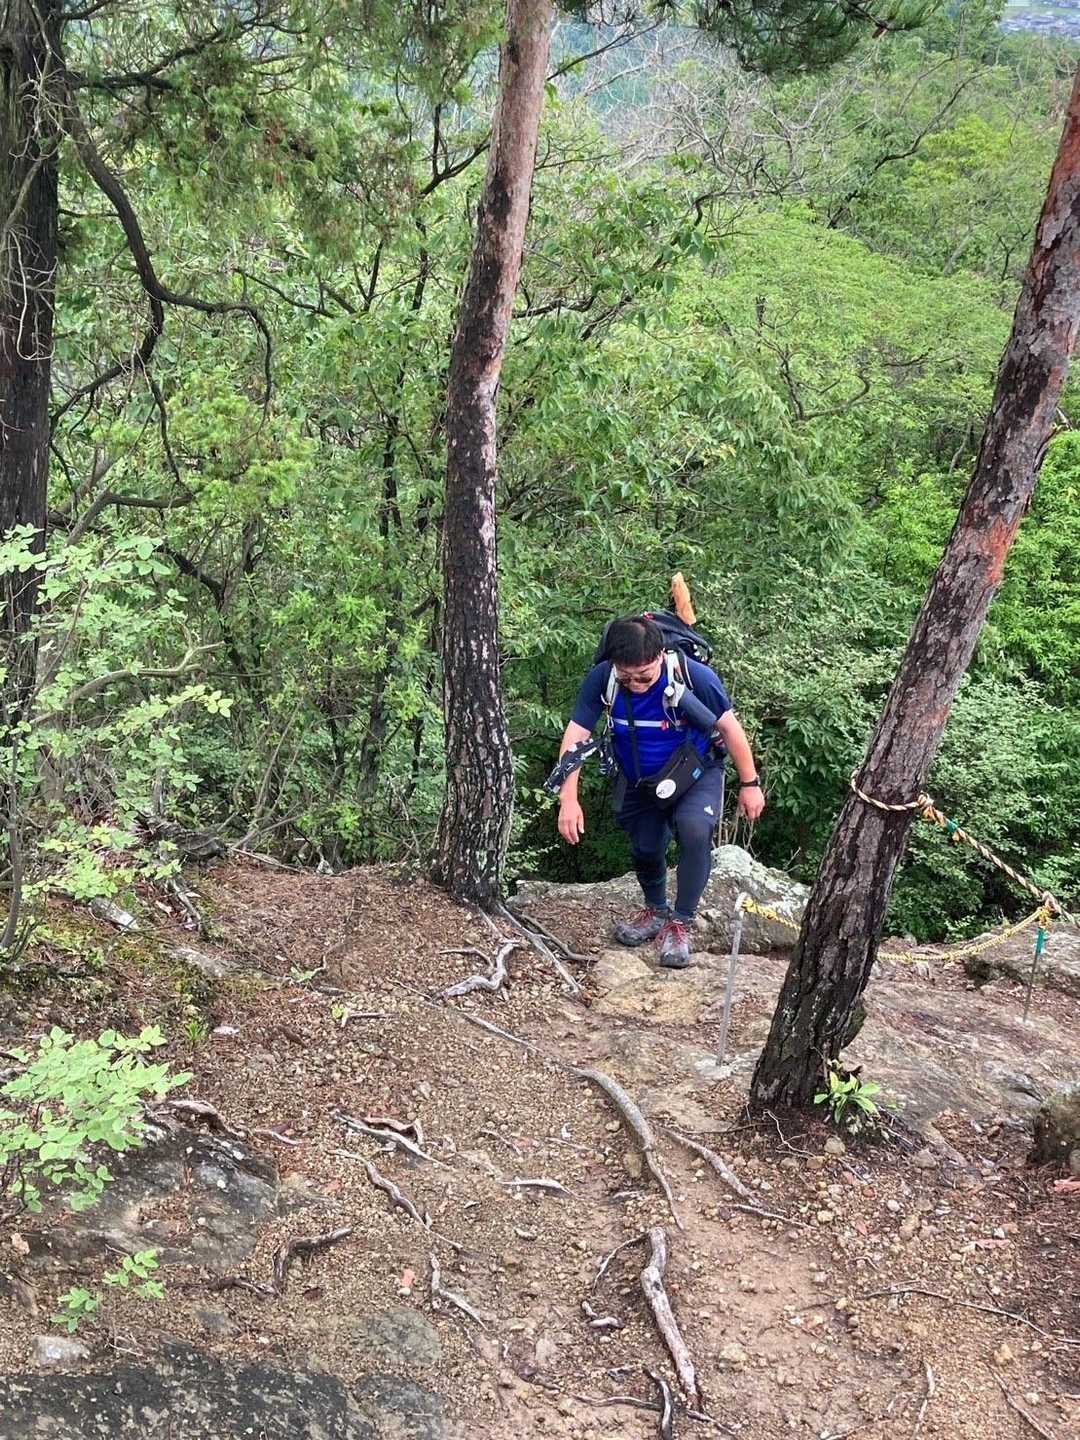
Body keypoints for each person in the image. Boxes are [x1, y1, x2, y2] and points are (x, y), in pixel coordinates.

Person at [556, 615, 764, 969]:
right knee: (646, 845)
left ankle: (680, 923)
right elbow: (576, 735)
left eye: (644, 677)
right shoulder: (603, 678)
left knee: (694, 830)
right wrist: (569, 798)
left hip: (696, 772)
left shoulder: (694, 675)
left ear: (660, 656)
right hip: (639, 778)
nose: (636, 685)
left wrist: (750, 783)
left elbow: (730, 729)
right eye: (626, 678)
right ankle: (655, 911)